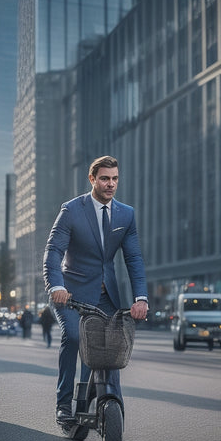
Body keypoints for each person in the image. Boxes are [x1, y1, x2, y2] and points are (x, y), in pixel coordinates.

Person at [43, 155, 148, 426]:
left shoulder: (126, 214)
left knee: (111, 348)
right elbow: (53, 251)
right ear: (92, 179)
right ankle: (64, 404)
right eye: (104, 178)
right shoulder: (72, 210)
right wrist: (56, 285)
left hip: (105, 295)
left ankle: (110, 405)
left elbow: (133, 258)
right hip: (71, 294)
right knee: (76, 338)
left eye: (114, 178)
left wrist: (141, 298)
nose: (110, 184)